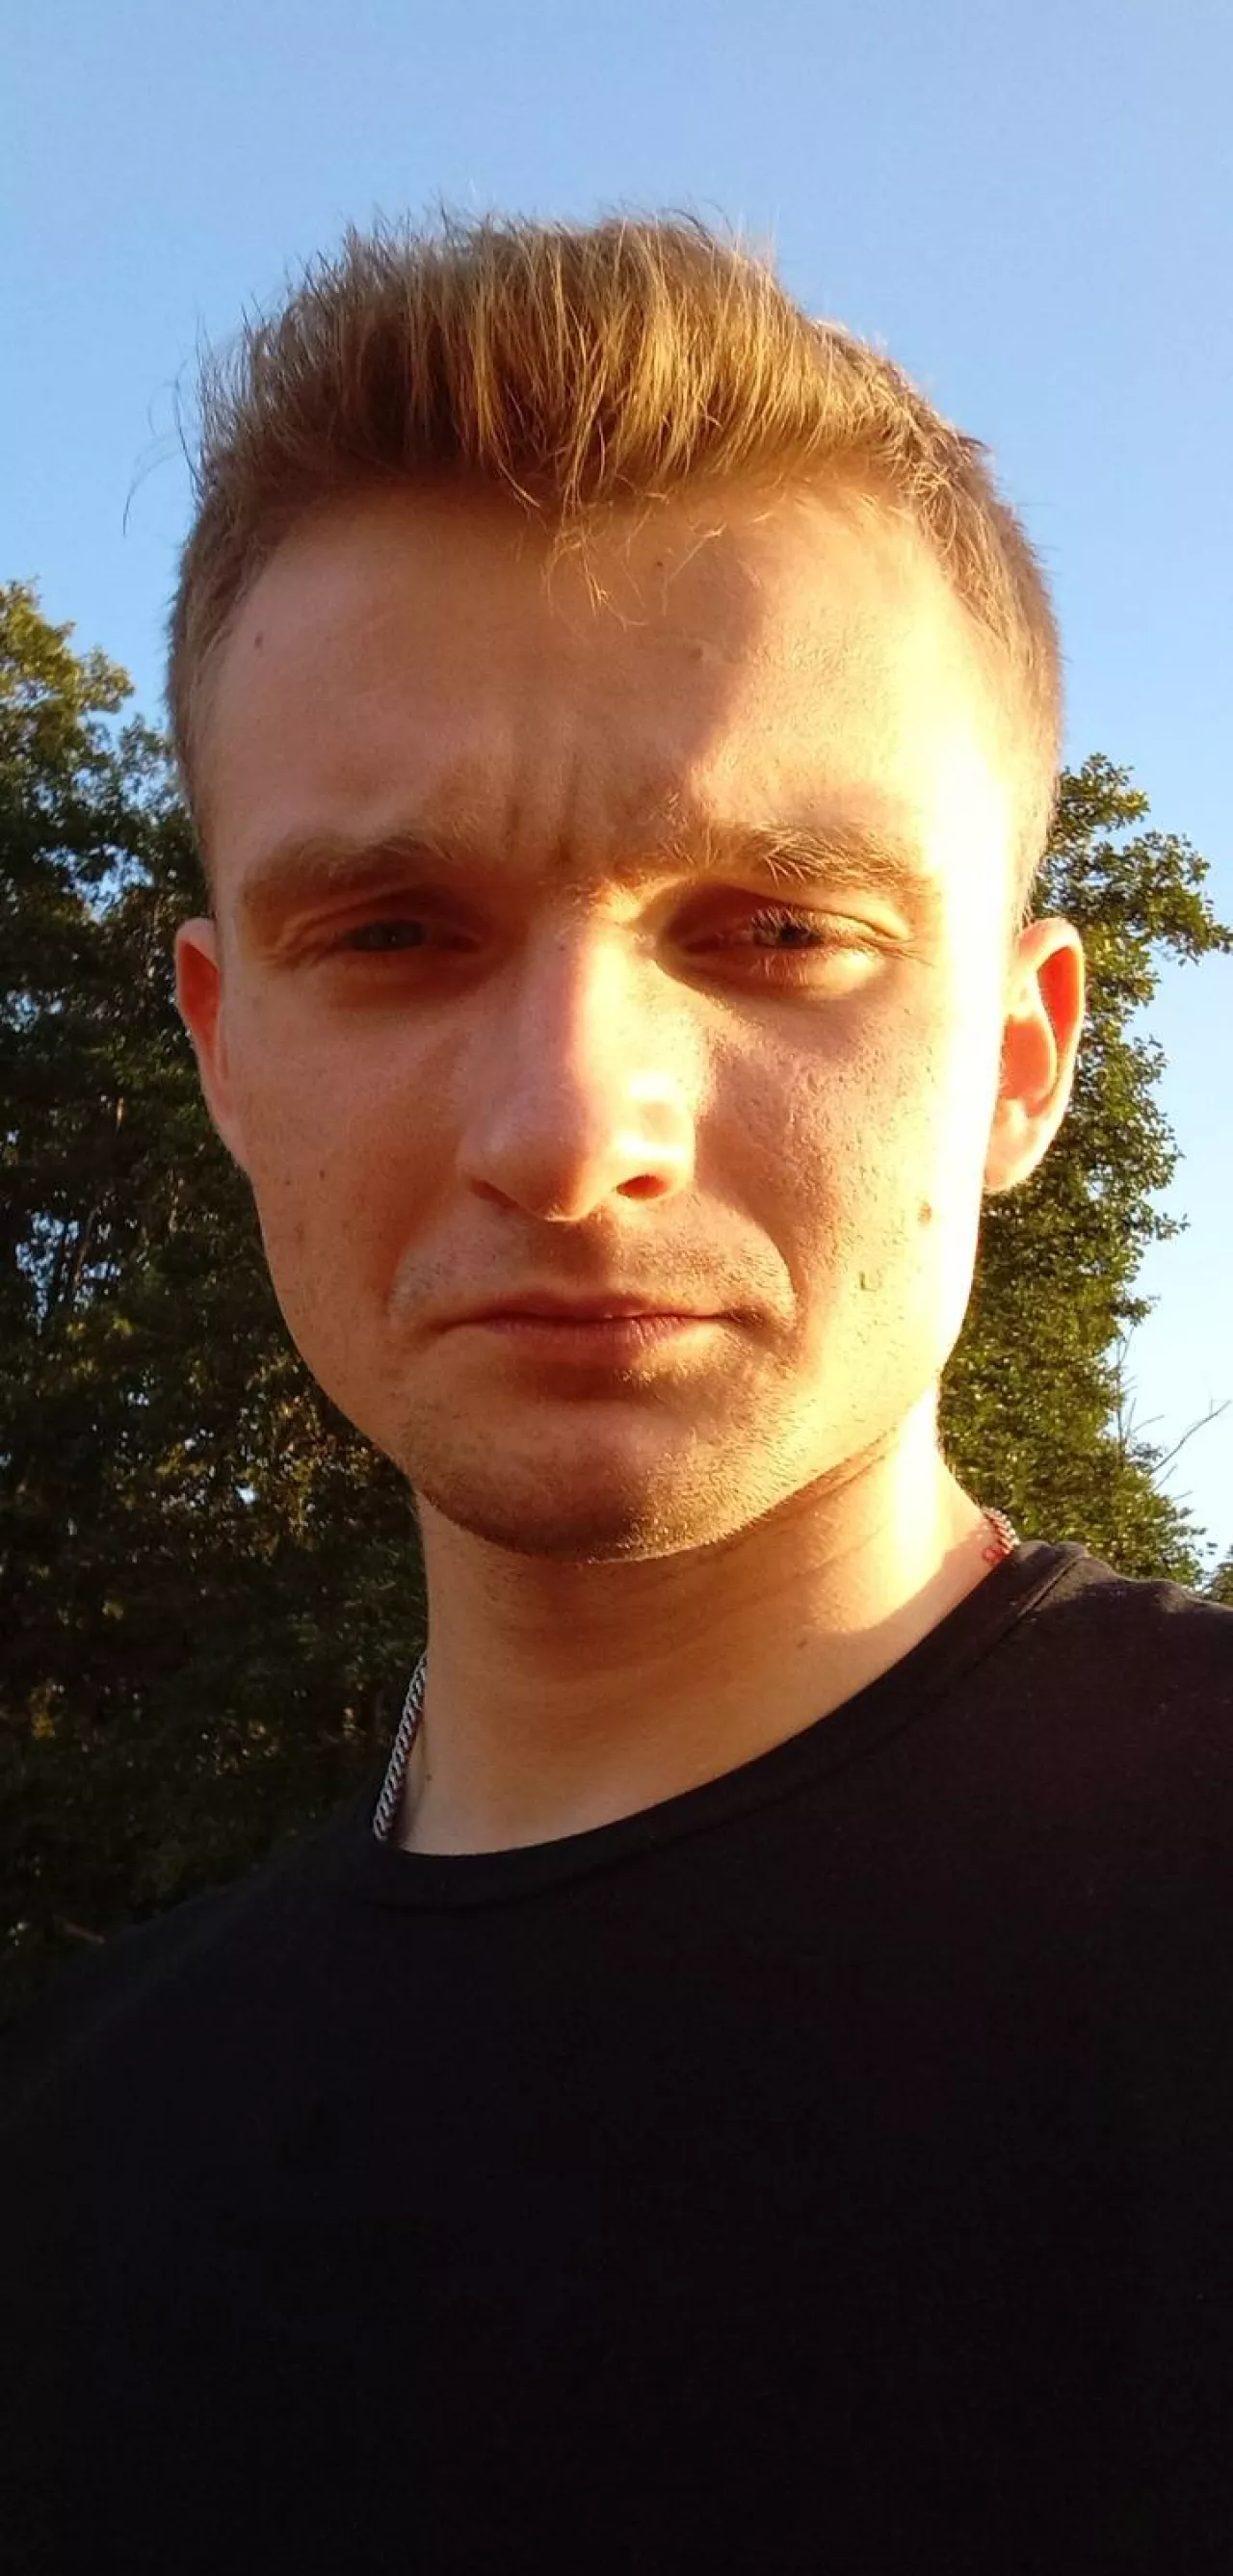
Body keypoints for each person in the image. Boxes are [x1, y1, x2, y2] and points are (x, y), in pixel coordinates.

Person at [2, 211, 1231, 2576]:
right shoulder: (64, 2147)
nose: (571, 1130)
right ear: (225, 1051)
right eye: (392, 930)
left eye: (774, 931)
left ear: (1017, 1059)